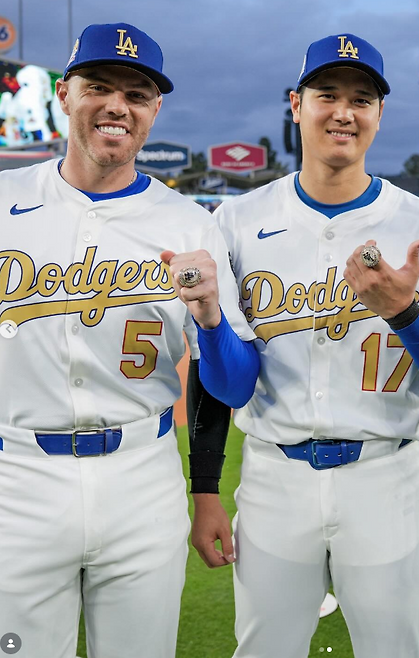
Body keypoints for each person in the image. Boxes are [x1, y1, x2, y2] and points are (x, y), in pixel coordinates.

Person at [191, 33, 419, 658]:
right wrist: (205, 487)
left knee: (396, 650)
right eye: (327, 95)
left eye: (361, 99)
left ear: (379, 114)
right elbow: (229, 383)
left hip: (385, 475)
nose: (344, 112)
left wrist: (404, 313)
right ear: (296, 105)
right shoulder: (235, 221)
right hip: (273, 476)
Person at [0, 22, 257, 658]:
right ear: (64, 94)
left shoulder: (191, 224)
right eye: (98, 87)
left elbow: (235, 385)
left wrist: (211, 320)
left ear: (154, 110)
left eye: (136, 94)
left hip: (142, 479)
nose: (117, 105)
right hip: (16, 479)